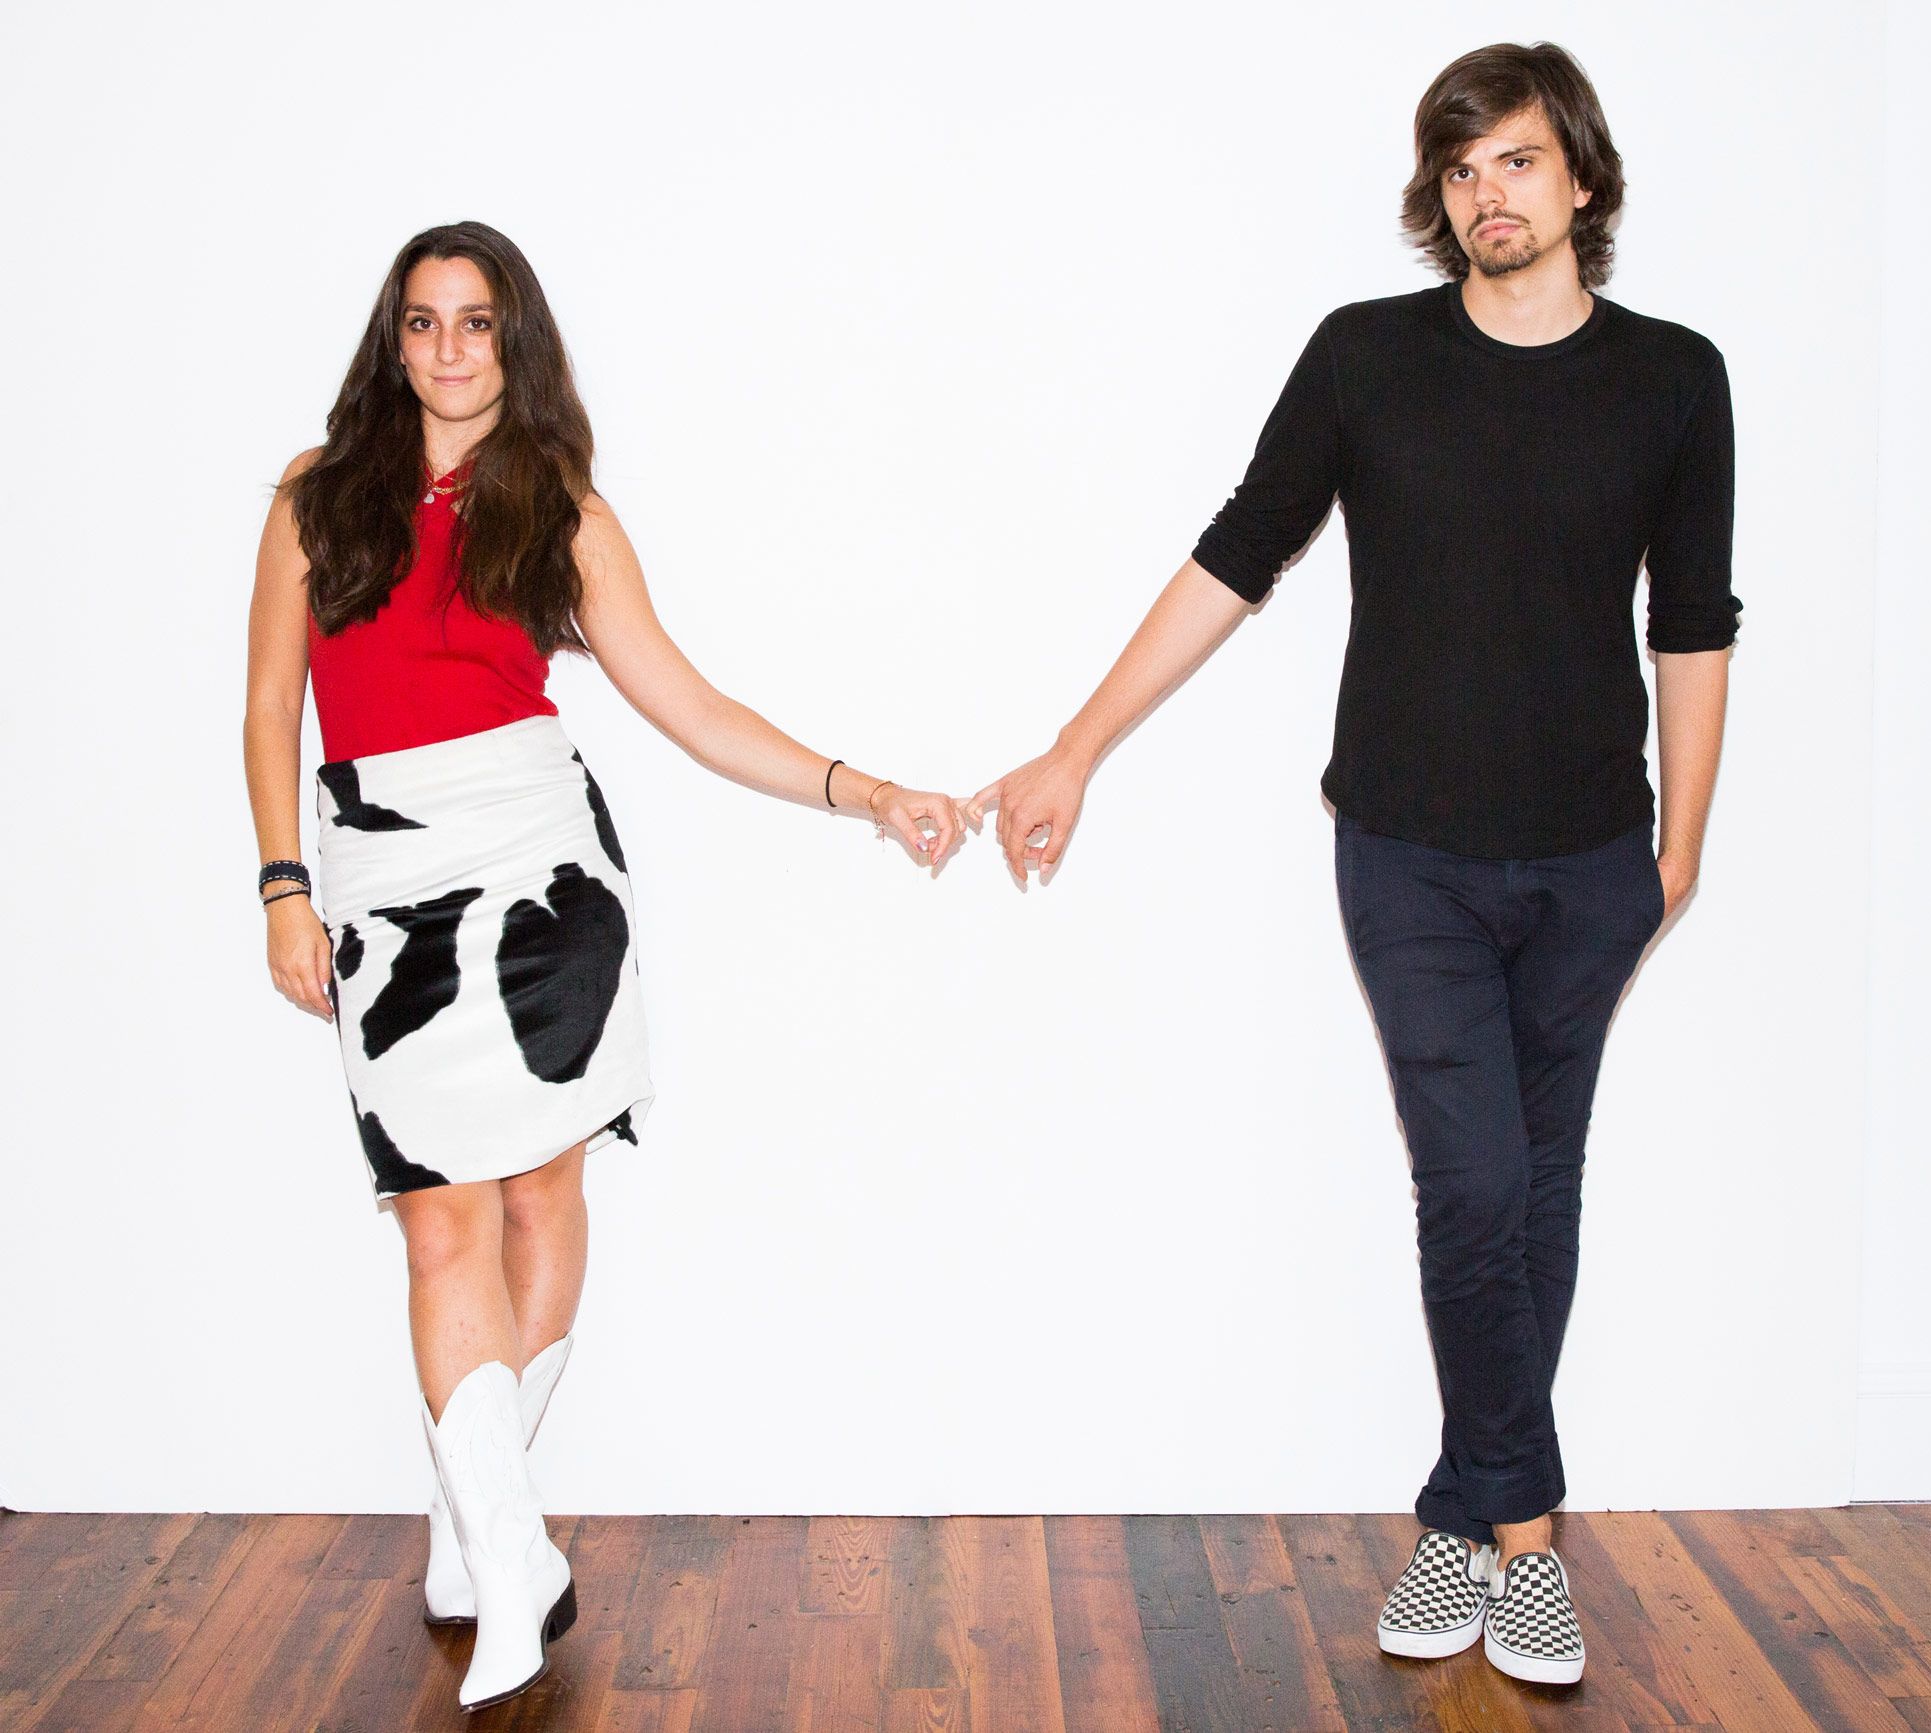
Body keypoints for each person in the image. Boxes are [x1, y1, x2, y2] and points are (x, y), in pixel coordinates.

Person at [964, 42, 1737, 1687]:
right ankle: (1530, 1541)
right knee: (1473, 1186)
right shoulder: (1367, 358)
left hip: (1595, 859)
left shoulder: (1676, 379)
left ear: (1580, 178)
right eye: (1460, 168)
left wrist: (1681, 848)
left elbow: (1694, 619)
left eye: (1516, 161)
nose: (1486, 194)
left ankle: (1463, 1514)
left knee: (1537, 1189)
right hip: (1409, 855)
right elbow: (1238, 552)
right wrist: (1075, 744)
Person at [243, 220, 964, 1711]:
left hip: (545, 876)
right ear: (393, 340)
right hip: (382, 881)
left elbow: (689, 704)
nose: (450, 348)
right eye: (424, 321)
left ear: (515, 343)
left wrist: (865, 789)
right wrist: (282, 884)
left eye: (477, 322)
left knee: (539, 1197)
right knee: (436, 1223)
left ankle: (476, 1533)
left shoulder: (558, 506)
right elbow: (268, 711)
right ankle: (510, 1555)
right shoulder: (315, 497)